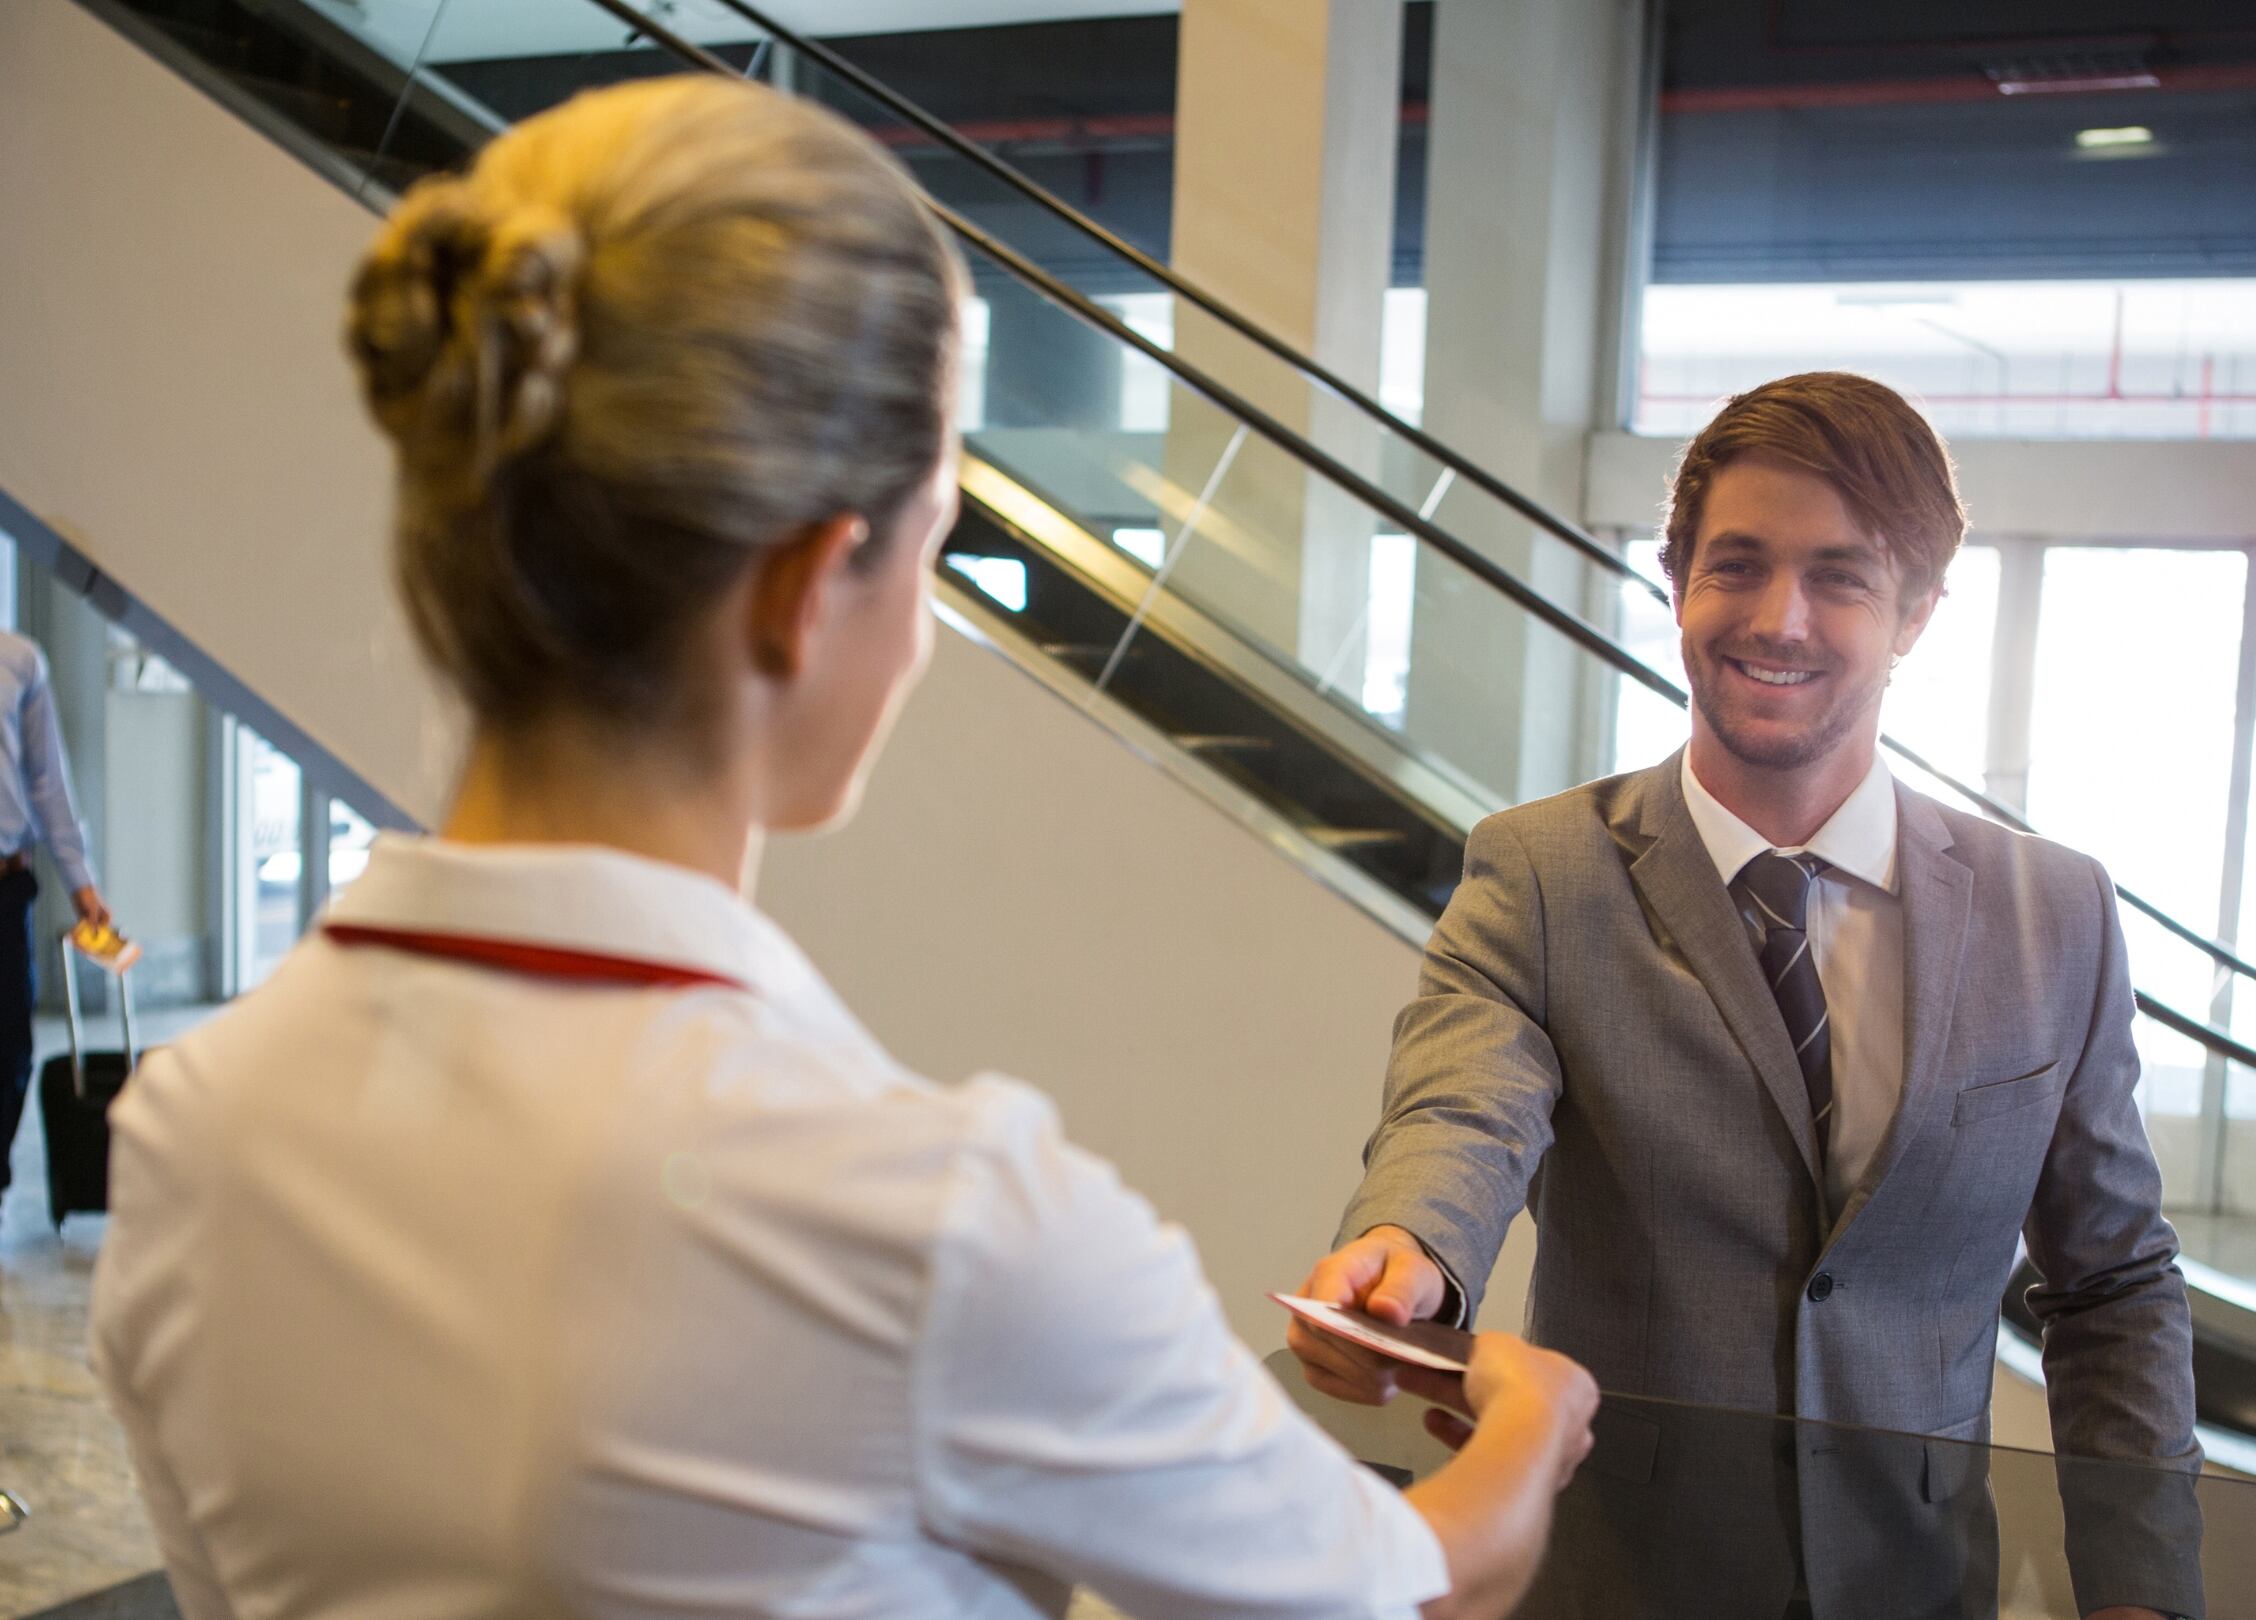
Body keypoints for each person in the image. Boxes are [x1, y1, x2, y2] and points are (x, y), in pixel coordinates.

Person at [88, 77, 1598, 1620]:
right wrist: (1536, 1418)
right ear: (808, 588)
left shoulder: (191, 1132)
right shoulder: (933, 1215)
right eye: (931, 547)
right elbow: (1398, 1591)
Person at [1290, 373, 2203, 1620]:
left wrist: (2138, 1595)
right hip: (1624, 1587)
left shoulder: (2056, 914)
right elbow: (1461, 1114)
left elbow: (2113, 1282)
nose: (1779, 618)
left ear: (1920, 611)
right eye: (1738, 565)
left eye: (1841, 576)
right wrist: (1410, 1254)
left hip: (1919, 1591)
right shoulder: (1543, 874)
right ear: (1677, 581)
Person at [0, 627, 111, 1216]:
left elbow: (47, 780)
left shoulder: (18, 659)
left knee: (10, 1049)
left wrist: (81, 882)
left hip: (5, 885)